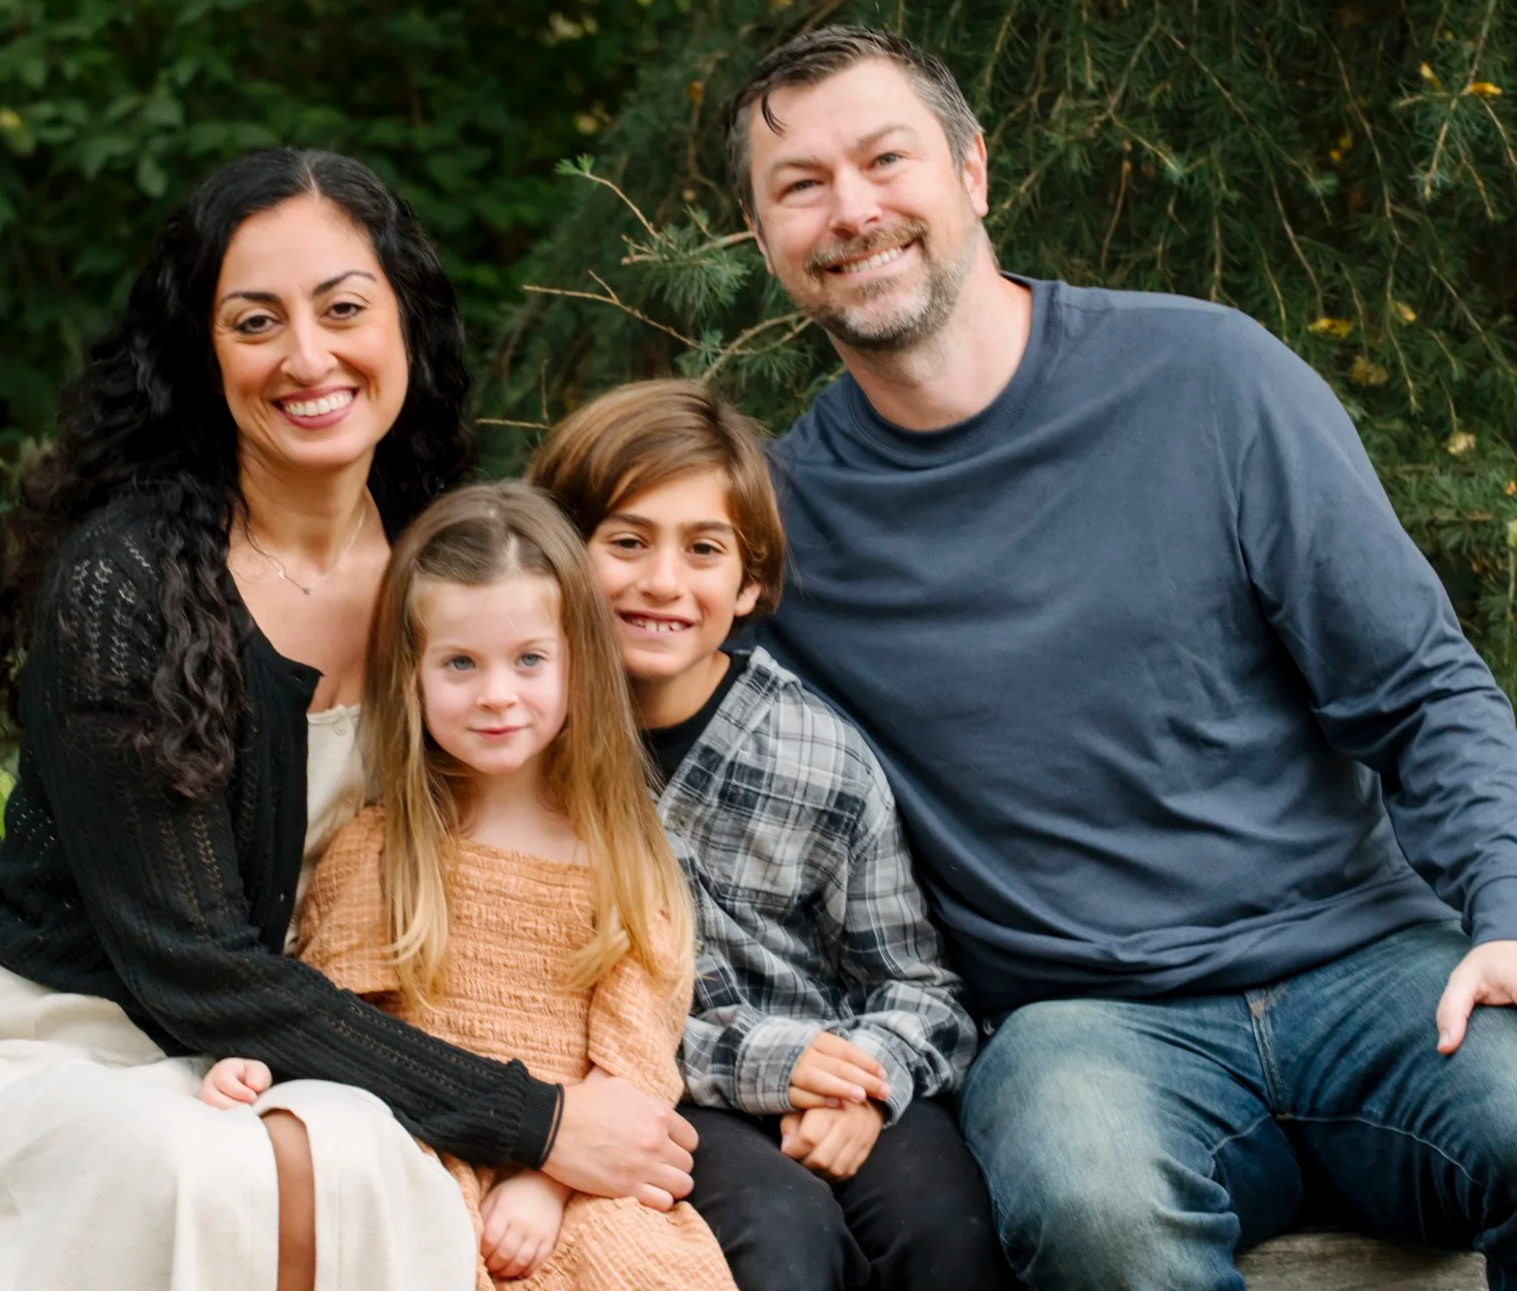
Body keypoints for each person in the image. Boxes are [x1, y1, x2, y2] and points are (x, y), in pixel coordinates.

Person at [0, 150, 697, 1291]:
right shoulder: (127, 589)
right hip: (78, 1043)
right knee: (223, 1171)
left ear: (404, 325)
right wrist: (534, 1117)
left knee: (363, 1150)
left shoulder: (446, 561)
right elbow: (194, 967)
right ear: (201, 352)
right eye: (255, 320)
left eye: (344, 309)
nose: (307, 357)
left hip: (321, 1047)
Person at [723, 24, 1517, 1291]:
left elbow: (1422, 690)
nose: (852, 210)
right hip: (1085, 1027)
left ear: (973, 170)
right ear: (764, 240)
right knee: (1089, 1204)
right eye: (799, 187)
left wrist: (1507, 910)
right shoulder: (773, 523)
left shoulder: (1207, 377)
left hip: (1371, 970)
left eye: (885, 159)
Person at [527, 378, 1005, 1291]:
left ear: (749, 581)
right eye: (625, 541)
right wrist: (760, 1065)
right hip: (647, 1091)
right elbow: (528, 1003)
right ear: (558, 553)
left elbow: (923, 990)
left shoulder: (816, 754)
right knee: (776, 1242)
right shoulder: (525, 749)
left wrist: (867, 1080)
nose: (662, 581)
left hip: (834, 1072)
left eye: (704, 549)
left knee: (947, 1233)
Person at [201, 481, 737, 1291]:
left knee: (641, 1268)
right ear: (411, 676)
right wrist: (256, 1066)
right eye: (460, 662)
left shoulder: (624, 859)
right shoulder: (383, 848)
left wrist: (548, 1179)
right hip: (422, 1146)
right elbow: (331, 1016)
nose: (496, 693)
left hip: (579, 1177)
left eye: (529, 660)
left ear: (576, 664)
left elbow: (633, 1066)